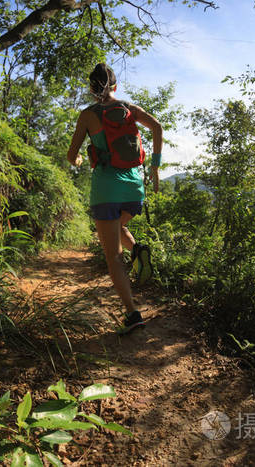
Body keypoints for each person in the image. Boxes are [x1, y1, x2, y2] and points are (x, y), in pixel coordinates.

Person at [66, 63, 163, 335]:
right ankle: (138, 251)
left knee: (113, 256)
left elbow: (71, 154)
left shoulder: (87, 115)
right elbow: (157, 127)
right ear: (115, 86)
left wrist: (77, 160)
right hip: (134, 189)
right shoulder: (131, 109)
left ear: (90, 88)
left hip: (106, 190)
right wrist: (154, 167)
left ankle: (132, 314)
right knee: (118, 227)